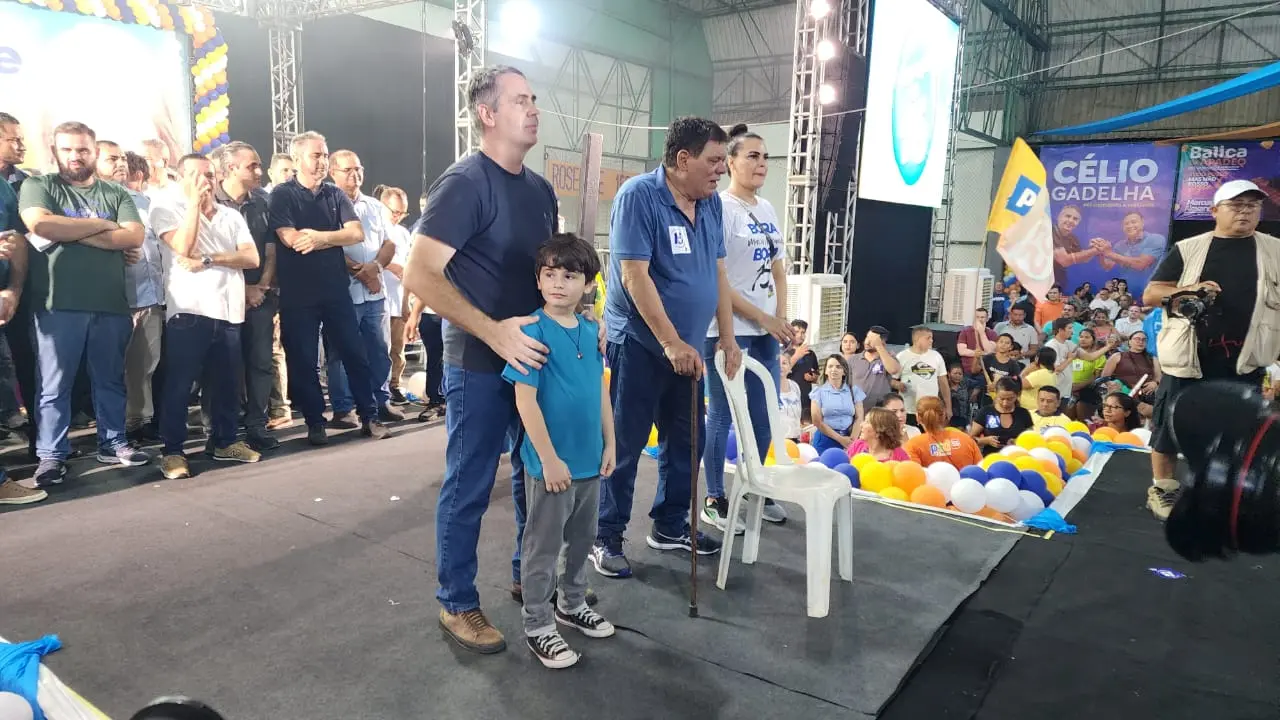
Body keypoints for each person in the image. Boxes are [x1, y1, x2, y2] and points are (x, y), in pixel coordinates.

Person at [404, 66, 582, 654]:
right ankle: (457, 602)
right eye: (520, 100)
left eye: (534, 99)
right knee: (470, 484)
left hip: (531, 359)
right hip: (478, 363)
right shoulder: (463, 183)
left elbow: (548, 276)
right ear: (487, 114)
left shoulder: (539, 190)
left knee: (537, 478)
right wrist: (493, 333)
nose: (533, 109)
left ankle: (528, 577)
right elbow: (419, 274)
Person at [593, 117, 742, 580]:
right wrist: (670, 341)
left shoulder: (710, 204)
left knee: (686, 442)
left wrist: (727, 337)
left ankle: (671, 524)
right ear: (682, 159)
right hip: (640, 345)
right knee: (625, 443)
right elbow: (633, 275)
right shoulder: (639, 197)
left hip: (688, 350)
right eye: (713, 160)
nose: (722, 169)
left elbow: (718, 273)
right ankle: (606, 535)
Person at [503, 233, 616, 669]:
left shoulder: (590, 330)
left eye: (569, 276)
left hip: (589, 462)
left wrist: (611, 441)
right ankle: (537, 624)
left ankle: (571, 603)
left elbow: (599, 391)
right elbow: (525, 401)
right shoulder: (531, 331)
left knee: (583, 540)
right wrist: (549, 459)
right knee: (543, 548)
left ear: (587, 284)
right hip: (552, 466)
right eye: (550, 274)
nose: (558, 284)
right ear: (538, 279)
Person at [19, 121, 149, 486]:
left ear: (94, 152)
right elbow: (41, 226)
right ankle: (51, 454)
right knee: (54, 385)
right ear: (55, 152)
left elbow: (134, 236)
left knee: (110, 380)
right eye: (67, 149)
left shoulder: (116, 192)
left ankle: (113, 443)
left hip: (111, 303)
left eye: (82, 149)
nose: (75, 156)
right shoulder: (39, 186)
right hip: (57, 303)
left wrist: (71, 232)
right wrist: (104, 226)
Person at [1142, 179, 1280, 521]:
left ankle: (1218, 491)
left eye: (1252, 205)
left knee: (1238, 431)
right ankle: (1163, 488)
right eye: (1236, 205)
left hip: (1246, 359)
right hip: (1190, 355)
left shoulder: (1275, 250)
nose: (1245, 212)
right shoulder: (1189, 249)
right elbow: (1151, 294)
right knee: (1169, 425)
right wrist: (1189, 289)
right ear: (1215, 210)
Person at [268, 131, 391, 446]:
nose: (322, 161)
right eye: (316, 155)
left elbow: (356, 233)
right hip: (298, 293)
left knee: (355, 353)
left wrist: (321, 238)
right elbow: (290, 238)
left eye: (325, 155)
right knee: (304, 360)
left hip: (336, 290)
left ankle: (369, 416)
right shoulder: (282, 194)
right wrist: (333, 237)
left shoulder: (334, 194)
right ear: (298, 159)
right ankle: (314, 422)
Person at [700, 123, 790, 533]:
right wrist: (761, 317)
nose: (761, 163)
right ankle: (715, 498)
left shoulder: (767, 209)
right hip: (727, 328)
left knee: (764, 414)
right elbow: (717, 278)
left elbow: (779, 270)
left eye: (765, 157)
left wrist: (779, 318)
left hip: (766, 331)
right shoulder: (719, 208)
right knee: (721, 414)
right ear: (731, 162)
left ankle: (754, 486)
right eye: (752, 156)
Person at [150, 154, 262, 478]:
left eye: (210, 176)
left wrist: (210, 259)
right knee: (179, 385)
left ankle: (224, 442)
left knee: (226, 384)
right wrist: (194, 206)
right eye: (197, 176)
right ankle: (172, 451)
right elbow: (183, 247)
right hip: (189, 310)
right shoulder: (165, 207)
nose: (205, 182)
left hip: (229, 311)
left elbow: (251, 257)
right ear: (181, 178)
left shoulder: (231, 215)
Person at [904, 396, 982, 469]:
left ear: (918, 417)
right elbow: (981, 470)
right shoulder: (966, 439)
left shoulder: (913, 444)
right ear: (944, 414)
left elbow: (913, 475)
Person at [809, 354, 866, 454]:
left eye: (838, 367)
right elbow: (817, 421)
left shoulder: (854, 391)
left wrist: (852, 441)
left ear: (844, 371)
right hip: (825, 440)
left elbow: (859, 418)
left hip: (849, 438)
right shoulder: (818, 392)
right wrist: (841, 439)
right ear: (825, 371)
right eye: (830, 366)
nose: (834, 370)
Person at [896, 326, 949, 425]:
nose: (931, 341)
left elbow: (944, 384)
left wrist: (948, 407)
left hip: (931, 409)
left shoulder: (936, 356)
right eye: (928, 338)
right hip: (909, 409)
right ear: (918, 339)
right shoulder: (902, 356)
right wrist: (897, 385)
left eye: (932, 338)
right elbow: (890, 379)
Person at [970, 377, 1034, 454]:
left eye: (1010, 399)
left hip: (1017, 456)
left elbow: (1031, 439)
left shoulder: (1023, 413)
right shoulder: (986, 412)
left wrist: (1017, 441)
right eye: (1001, 399)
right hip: (992, 457)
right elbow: (970, 439)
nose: (1005, 403)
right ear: (996, 394)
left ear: (1017, 395)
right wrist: (985, 440)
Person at [777, 353, 803, 444]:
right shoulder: (769, 387)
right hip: (777, 440)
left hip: (795, 438)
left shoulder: (794, 386)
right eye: (777, 363)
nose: (781, 366)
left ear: (790, 368)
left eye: (784, 363)